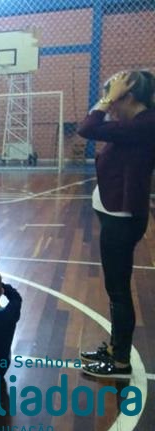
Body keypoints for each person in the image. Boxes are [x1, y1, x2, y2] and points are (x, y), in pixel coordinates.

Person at [77, 70, 155, 377]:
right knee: (116, 291)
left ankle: (120, 361)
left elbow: (87, 127)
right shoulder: (139, 124)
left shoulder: (145, 124)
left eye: (113, 98)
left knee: (118, 292)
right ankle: (115, 348)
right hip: (116, 213)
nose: (109, 105)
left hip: (121, 219)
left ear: (129, 97)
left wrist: (105, 100)